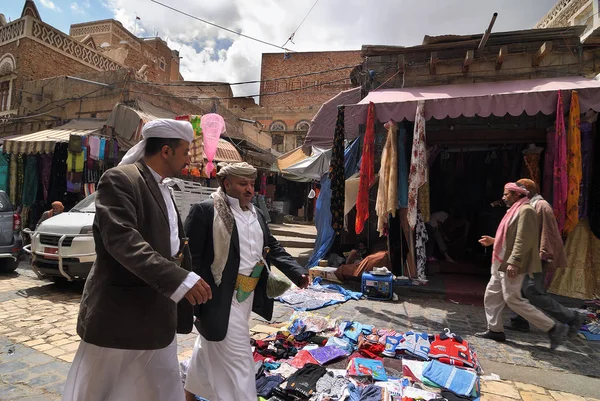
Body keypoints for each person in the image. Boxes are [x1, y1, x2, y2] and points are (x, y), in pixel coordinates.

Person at [62, 119, 213, 401]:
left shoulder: (165, 188)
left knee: (158, 390)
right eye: (184, 152)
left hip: (157, 316)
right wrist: (179, 278)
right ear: (166, 151)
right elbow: (122, 241)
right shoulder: (121, 179)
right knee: (103, 391)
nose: (187, 160)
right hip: (120, 317)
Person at [183, 162, 309, 401]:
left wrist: (297, 272)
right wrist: (195, 300)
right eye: (243, 184)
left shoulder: (256, 213)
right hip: (218, 296)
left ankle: (188, 393)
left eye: (251, 184)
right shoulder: (206, 211)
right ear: (226, 183)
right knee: (240, 358)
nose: (249, 189)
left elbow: (271, 247)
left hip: (246, 295)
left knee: (210, 343)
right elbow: (192, 259)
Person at [476, 182, 568, 350]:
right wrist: (493, 241)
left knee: (513, 299)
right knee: (492, 294)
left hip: (511, 263)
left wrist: (514, 262)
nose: (503, 198)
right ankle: (495, 329)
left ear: (517, 195)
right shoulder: (514, 210)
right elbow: (509, 237)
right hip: (501, 260)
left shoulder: (526, 211)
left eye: (506, 194)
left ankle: (553, 328)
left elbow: (523, 239)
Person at [505, 179, 586, 333]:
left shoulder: (541, 206)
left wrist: (546, 255)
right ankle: (519, 320)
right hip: (529, 255)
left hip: (538, 257)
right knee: (522, 289)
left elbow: (548, 232)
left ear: (527, 189)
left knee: (533, 291)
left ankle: (572, 317)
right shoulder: (529, 205)